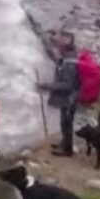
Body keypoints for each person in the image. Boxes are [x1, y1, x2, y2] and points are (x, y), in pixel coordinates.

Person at [37, 30, 81, 158]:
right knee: (64, 122)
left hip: (69, 99)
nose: (57, 42)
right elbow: (56, 58)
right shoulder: (68, 56)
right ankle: (64, 144)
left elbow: (67, 85)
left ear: (67, 41)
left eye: (60, 39)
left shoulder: (69, 63)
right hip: (69, 98)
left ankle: (67, 150)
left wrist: (47, 87)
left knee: (67, 123)